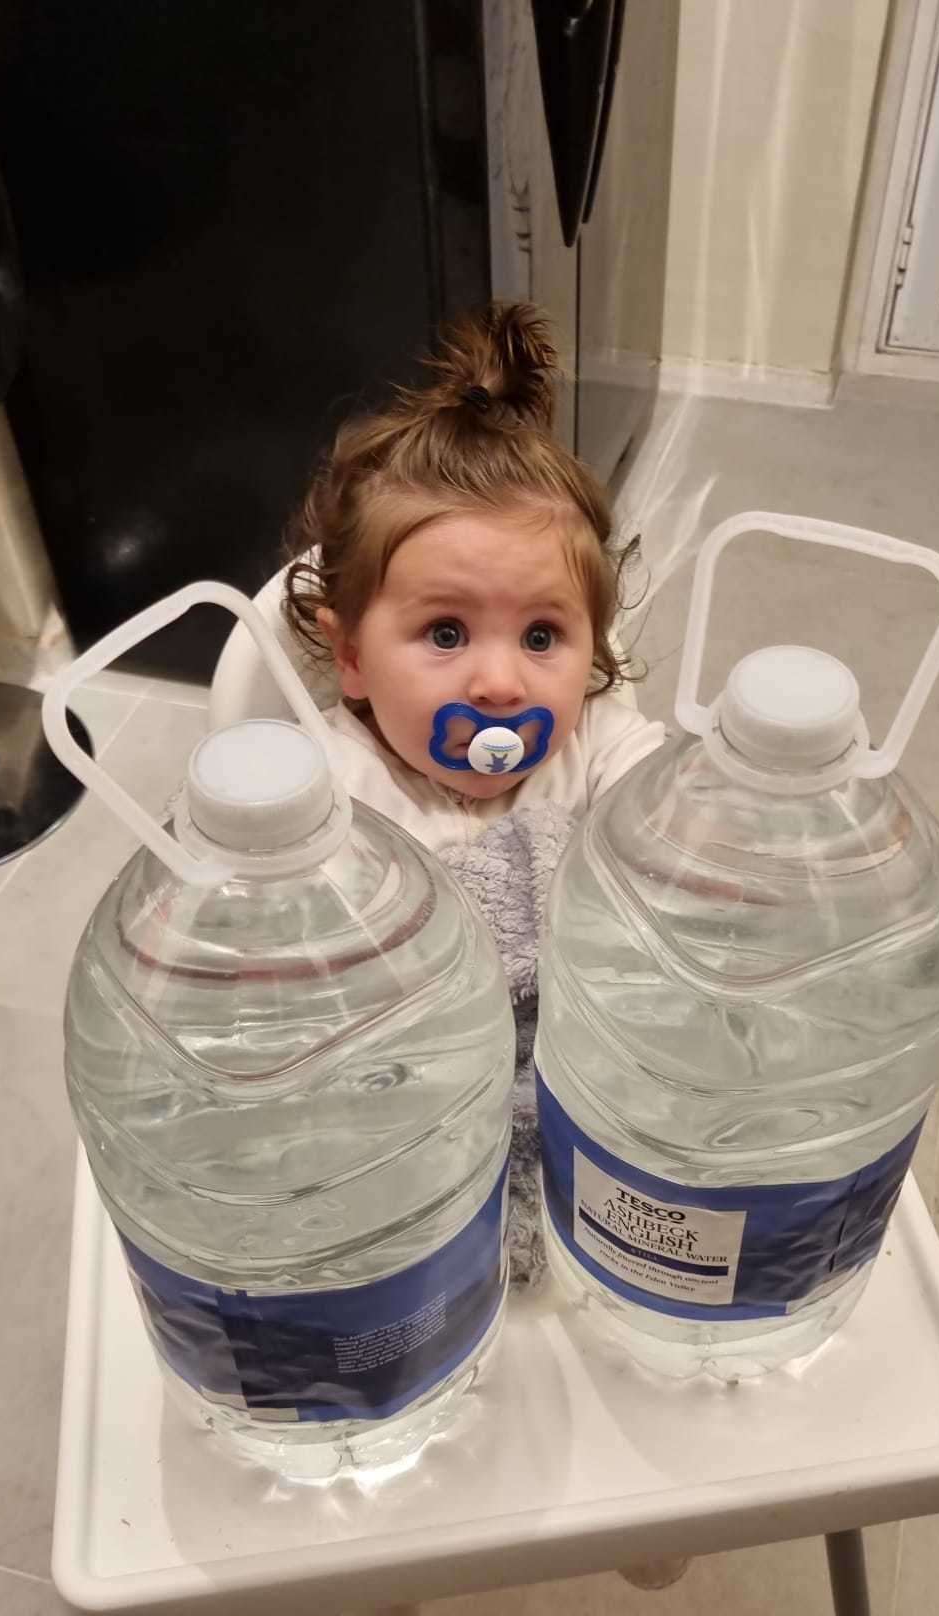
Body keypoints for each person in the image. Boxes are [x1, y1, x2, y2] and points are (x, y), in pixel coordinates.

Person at [282, 301, 667, 1292]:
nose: (502, 684)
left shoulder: (599, 747)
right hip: (412, 1117)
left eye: (543, 637)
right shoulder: (333, 784)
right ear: (353, 656)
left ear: (594, 653)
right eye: (446, 633)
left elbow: (675, 833)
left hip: (580, 1085)